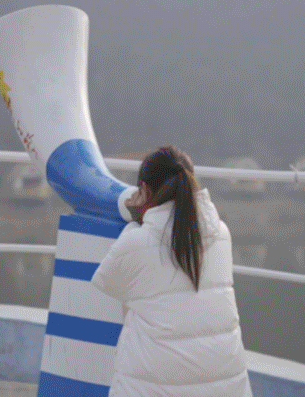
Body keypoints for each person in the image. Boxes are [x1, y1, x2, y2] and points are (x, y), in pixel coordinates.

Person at [91, 146, 252, 397]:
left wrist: (137, 220)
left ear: (145, 190)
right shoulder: (221, 232)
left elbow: (109, 284)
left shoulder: (135, 241)